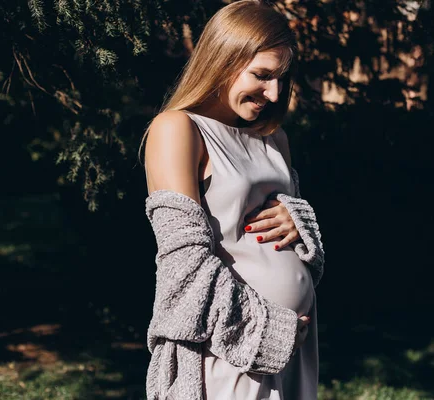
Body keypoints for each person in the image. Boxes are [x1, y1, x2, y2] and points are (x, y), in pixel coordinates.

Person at [140, 1, 325, 399]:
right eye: (261, 75)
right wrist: (270, 330)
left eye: (281, 78)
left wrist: (299, 221)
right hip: (230, 349)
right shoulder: (178, 129)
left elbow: (277, 233)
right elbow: (184, 269)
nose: (274, 93)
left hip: (295, 344)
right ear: (223, 60)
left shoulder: (274, 139)